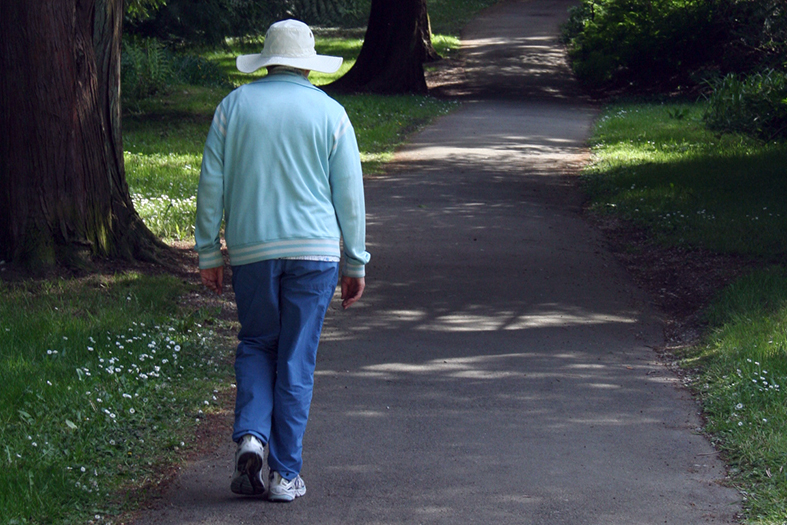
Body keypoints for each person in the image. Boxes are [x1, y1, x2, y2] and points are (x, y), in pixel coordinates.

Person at [194, 19, 370, 502]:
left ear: (268, 60)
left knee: (256, 345)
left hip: (252, 250)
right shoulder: (331, 113)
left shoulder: (233, 107)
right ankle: (284, 475)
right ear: (309, 63)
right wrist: (354, 262)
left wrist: (209, 250)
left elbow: (212, 184)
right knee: (296, 360)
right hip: (315, 254)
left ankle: (252, 436)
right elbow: (348, 196)